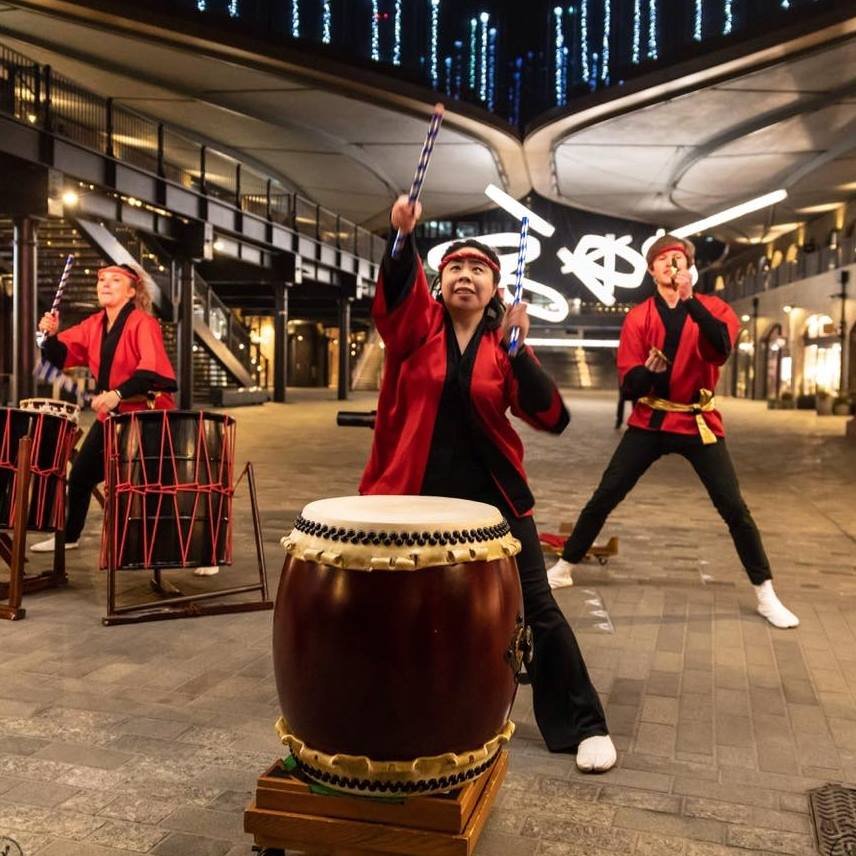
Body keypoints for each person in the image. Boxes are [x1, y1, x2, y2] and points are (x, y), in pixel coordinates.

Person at [359, 196, 616, 772]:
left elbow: (552, 417)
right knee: (405, 604)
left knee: (537, 607)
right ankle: (398, 708)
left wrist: (522, 353)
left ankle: (584, 726)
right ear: (440, 282)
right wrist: (402, 238)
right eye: (455, 268)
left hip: (495, 497)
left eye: (479, 269)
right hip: (414, 495)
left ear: (495, 289)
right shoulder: (414, 331)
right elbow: (395, 292)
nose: (466, 275)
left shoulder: (504, 347)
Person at [547, 235, 799, 629]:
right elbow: (630, 387)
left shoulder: (715, 309)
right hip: (650, 420)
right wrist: (650, 373)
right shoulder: (638, 317)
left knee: (734, 508)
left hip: (698, 420)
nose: (671, 264)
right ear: (651, 271)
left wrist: (689, 301)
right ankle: (564, 567)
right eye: (662, 260)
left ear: (690, 267)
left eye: (678, 259)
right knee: (606, 494)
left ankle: (765, 592)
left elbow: (719, 347)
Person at [31, 263, 218, 578]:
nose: (105, 284)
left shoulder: (144, 323)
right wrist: (49, 337)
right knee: (79, 478)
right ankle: (71, 536)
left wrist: (117, 393)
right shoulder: (93, 325)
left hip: (148, 416)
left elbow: (150, 372)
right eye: (102, 279)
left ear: (132, 291)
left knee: (166, 489)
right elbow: (58, 357)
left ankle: (205, 553)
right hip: (111, 416)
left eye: (115, 280)